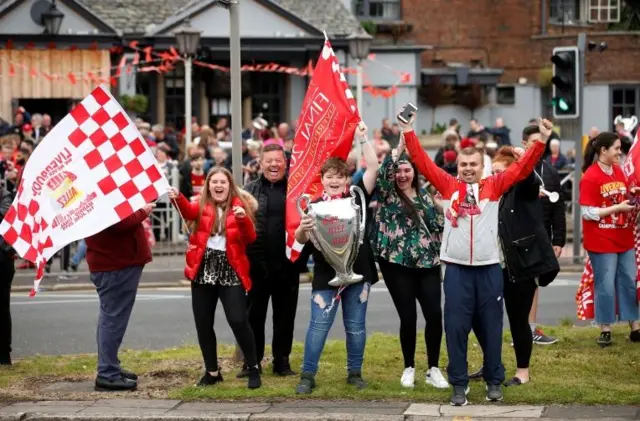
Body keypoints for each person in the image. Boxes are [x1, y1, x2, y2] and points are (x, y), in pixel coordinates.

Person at [401, 112, 552, 406]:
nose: (469, 169)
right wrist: (407, 130)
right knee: (455, 327)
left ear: (482, 167)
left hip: (488, 269)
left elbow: (522, 169)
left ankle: (494, 381)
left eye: (474, 164)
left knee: (492, 327)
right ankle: (459, 384)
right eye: (464, 165)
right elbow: (421, 161)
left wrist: (542, 141)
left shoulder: (494, 186)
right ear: (457, 167)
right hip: (456, 269)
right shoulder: (447, 185)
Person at [294, 123, 379, 394]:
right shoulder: (314, 206)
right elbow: (300, 239)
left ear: (346, 179)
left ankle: (355, 373)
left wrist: (363, 137)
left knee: (355, 327)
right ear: (323, 180)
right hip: (324, 273)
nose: (334, 181)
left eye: (339, 177)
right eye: (329, 176)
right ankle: (308, 375)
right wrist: (302, 228)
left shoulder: (358, 198)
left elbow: (374, 168)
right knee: (318, 326)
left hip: (358, 271)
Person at [168, 167, 262, 388]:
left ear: (230, 186)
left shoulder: (240, 207)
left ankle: (253, 367)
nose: (218, 185)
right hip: (203, 269)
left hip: (231, 268)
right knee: (203, 323)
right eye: (214, 182)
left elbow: (249, 238)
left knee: (238, 320)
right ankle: (212, 371)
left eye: (223, 182)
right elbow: (187, 211)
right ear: (208, 185)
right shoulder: (201, 206)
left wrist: (242, 220)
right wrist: (177, 197)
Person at [373, 134, 448, 389]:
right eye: (399, 171)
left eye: (407, 170)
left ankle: (434, 368)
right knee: (408, 318)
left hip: (427, 264)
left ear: (414, 172)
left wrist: (441, 209)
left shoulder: (426, 196)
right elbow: (383, 175)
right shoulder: (387, 194)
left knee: (435, 316)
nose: (402, 175)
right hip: (397, 266)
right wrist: (399, 150)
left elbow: (437, 228)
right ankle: (409, 367)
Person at [480, 147, 559, 387]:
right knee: (485, 319)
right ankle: (490, 366)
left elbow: (530, 179)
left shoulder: (522, 189)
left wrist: (524, 159)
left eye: (500, 171)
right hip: (493, 267)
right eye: (492, 171)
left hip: (520, 266)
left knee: (518, 320)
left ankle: (522, 371)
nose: (495, 176)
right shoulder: (491, 193)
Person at [241, 143, 308, 377]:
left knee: (285, 316)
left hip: (287, 266)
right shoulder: (247, 192)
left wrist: (300, 260)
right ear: (260, 163)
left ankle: (282, 361)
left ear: (286, 163)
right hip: (256, 267)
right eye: (268, 161)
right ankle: (253, 362)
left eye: (278, 160)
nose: (273, 165)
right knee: (253, 316)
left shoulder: (296, 192)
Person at [86, 202, 156, 391]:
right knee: (113, 319)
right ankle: (107, 373)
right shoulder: (100, 192)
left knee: (109, 318)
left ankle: (109, 367)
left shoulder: (94, 191)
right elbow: (120, 222)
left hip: (114, 263)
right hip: (116, 264)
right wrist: (144, 211)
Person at [579, 132, 640, 347]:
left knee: (628, 281)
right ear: (603, 151)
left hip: (623, 236)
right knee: (605, 285)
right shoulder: (590, 176)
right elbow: (587, 212)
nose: (619, 152)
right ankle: (605, 327)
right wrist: (617, 207)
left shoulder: (619, 171)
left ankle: (634, 325)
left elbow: (622, 197)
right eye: (615, 148)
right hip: (602, 240)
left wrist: (632, 193)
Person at [0, 187, 15, 365]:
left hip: (2, 261)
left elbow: (6, 215)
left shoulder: (5, 195)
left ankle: (4, 353)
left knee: (3, 308)